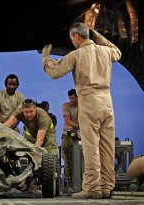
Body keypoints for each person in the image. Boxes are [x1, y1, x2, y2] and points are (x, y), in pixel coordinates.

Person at [41, 22, 121, 199]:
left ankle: (92, 187)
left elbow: (55, 72)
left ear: (76, 36)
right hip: (107, 101)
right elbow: (118, 51)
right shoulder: (106, 51)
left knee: (91, 146)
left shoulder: (76, 55)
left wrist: (46, 58)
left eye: (72, 38)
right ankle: (107, 186)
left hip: (88, 100)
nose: (72, 42)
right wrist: (98, 36)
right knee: (107, 146)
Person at [4, 99, 58, 192]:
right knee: (25, 156)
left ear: (35, 109)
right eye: (26, 112)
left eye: (31, 112)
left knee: (49, 158)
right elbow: (6, 126)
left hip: (47, 135)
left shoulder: (43, 117)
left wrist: (34, 153)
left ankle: (53, 184)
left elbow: (40, 140)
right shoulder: (19, 111)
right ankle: (27, 181)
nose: (28, 114)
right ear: (22, 110)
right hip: (31, 135)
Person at [61, 89, 79, 192]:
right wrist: (79, 126)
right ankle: (69, 183)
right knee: (67, 159)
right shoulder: (66, 106)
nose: (71, 100)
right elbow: (67, 120)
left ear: (77, 97)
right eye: (70, 98)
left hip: (80, 135)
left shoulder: (82, 105)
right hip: (68, 134)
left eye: (73, 98)